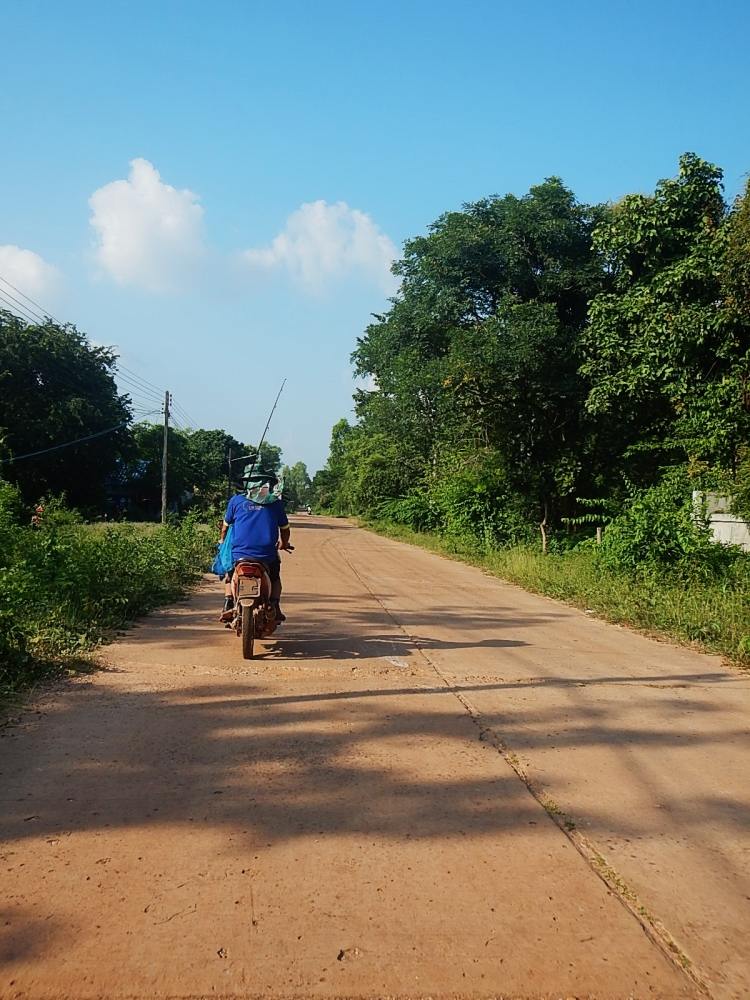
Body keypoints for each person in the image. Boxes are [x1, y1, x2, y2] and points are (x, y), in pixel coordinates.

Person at [219, 469, 292, 622]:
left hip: (239, 554)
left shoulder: (236, 501)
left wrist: (221, 541)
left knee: (229, 575)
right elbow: (285, 530)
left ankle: (228, 603)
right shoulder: (276, 504)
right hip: (267, 554)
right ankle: (274, 605)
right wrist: (284, 544)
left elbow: (225, 528)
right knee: (275, 577)